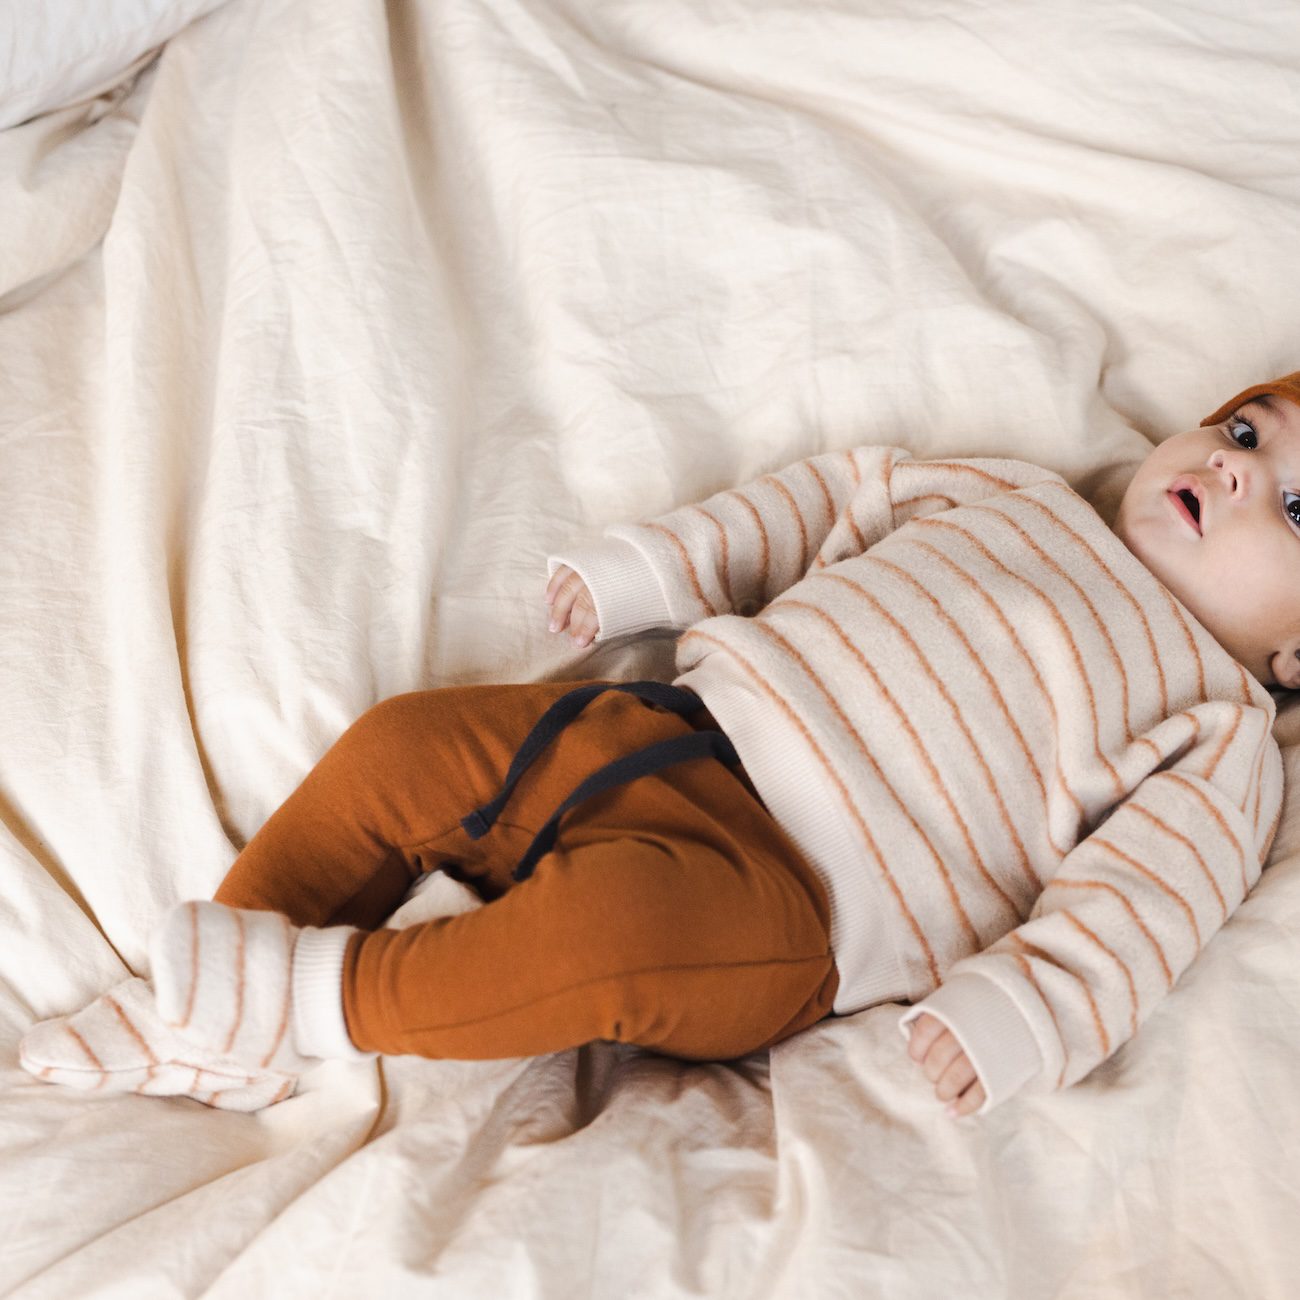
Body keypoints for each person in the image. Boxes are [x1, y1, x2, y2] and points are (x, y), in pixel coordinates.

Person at [20, 371, 1298, 1119]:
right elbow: (822, 502)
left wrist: (1024, 1013)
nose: (1236, 471)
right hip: (657, 726)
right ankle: (202, 997)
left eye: (1296, 508)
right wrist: (657, 567)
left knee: (601, 936)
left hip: (785, 904)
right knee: (402, 749)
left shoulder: (1220, 726)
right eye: (1245, 431)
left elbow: (1140, 908)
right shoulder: (1010, 491)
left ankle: (311, 1002)